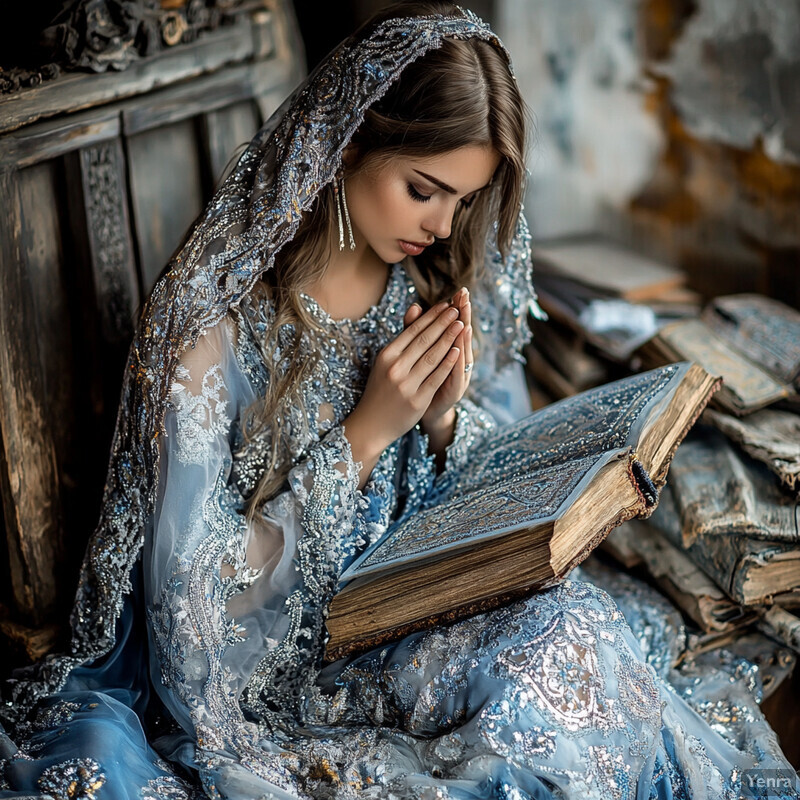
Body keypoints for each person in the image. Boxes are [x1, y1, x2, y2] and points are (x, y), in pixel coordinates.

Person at [0, 3, 797, 798]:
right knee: (536, 702)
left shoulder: (422, 283)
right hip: (298, 665)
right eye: (424, 189)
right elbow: (191, 619)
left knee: (576, 644)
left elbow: (481, 474)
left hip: (426, 607)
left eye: (462, 198)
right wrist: (362, 439)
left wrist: (445, 421)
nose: (443, 223)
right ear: (349, 140)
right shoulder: (211, 338)